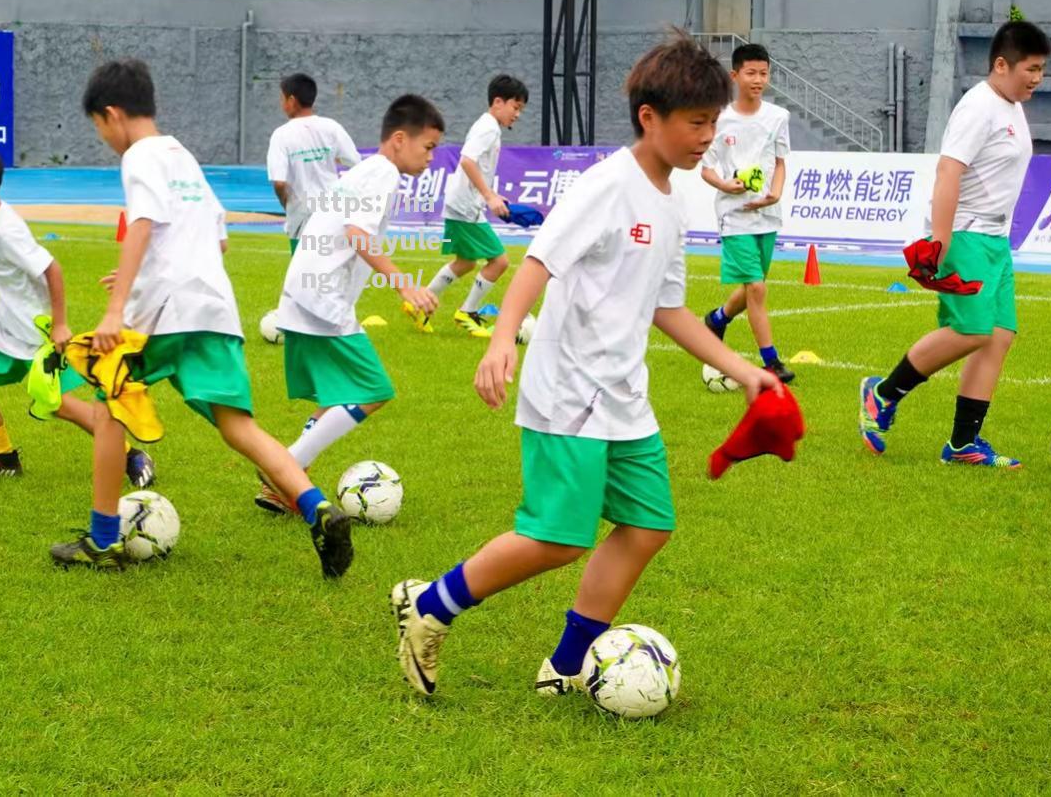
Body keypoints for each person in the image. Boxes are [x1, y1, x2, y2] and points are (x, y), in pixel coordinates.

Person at [390, 37, 780, 698]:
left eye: (713, 122)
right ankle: (432, 610)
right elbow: (538, 262)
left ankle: (565, 665)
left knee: (648, 524)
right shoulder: (606, 185)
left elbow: (670, 310)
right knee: (557, 538)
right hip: (568, 391)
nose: (707, 137)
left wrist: (743, 371)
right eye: (696, 122)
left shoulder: (671, 202)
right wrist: (500, 340)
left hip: (624, 397)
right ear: (649, 117)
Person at [50, 58, 354, 577]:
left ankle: (103, 542)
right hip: (214, 307)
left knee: (108, 409)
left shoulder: (139, 157)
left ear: (112, 114)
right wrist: (142, 274)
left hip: (164, 313)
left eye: (99, 127)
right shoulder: (182, 155)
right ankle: (318, 508)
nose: (103, 137)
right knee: (239, 425)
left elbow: (144, 223)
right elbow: (218, 237)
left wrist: (118, 306)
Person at [858, 20, 1051, 468]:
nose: (1038, 78)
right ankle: (881, 394)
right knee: (972, 330)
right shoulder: (979, 107)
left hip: (995, 241)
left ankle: (963, 443)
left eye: (1042, 69)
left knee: (998, 337)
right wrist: (940, 238)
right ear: (1001, 65)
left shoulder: (1012, 106)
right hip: (964, 233)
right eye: (1032, 68)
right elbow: (949, 171)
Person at [255, 95, 444, 513]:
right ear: (398, 139)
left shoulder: (367, 172)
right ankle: (287, 468)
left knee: (336, 396)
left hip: (306, 291)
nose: (432, 157)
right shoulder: (383, 173)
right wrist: (405, 286)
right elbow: (359, 233)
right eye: (427, 147)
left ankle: (281, 483)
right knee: (375, 389)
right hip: (322, 298)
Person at [0, 142, 155, 484]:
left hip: (32, 335)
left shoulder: (7, 229)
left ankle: (132, 454)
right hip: (2, 332)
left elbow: (52, 269)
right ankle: (4, 459)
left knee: (61, 405)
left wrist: (60, 325)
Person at [700, 43, 796, 383]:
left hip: (768, 213)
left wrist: (776, 193)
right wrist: (726, 186)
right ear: (735, 75)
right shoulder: (720, 118)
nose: (758, 80)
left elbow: (781, 163)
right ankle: (771, 361)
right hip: (734, 213)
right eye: (751, 73)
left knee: (753, 286)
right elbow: (706, 169)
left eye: (764, 73)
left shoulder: (778, 117)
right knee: (756, 288)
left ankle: (717, 320)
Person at [411, 74, 528, 337]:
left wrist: (493, 194)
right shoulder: (488, 128)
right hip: (466, 207)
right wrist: (489, 197)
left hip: (463, 204)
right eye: (516, 107)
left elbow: (476, 167)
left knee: (465, 262)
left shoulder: (488, 126)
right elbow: (467, 160)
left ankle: (418, 303)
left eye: (520, 109)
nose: (517, 114)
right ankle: (467, 312)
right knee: (499, 261)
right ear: (498, 102)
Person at [264, 72, 360, 255]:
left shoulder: (281, 135)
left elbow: (279, 181)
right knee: (330, 271)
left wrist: (286, 205)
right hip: (332, 211)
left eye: (282, 98)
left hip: (301, 213)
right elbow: (356, 162)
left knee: (302, 276)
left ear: (291, 100)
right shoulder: (331, 127)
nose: (281, 103)